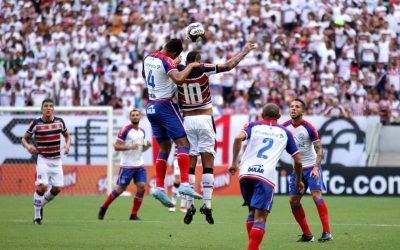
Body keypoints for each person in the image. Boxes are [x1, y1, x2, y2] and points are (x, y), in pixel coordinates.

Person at [179, 42, 256, 225]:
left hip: (187, 120)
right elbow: (229, 66)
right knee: (207, 164)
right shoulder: (203, 68)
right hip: (204, 118)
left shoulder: (178, 72)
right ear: (198, 61)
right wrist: (244, 51)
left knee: (190, 164)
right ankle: (207, 204)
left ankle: (189, 204)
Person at [229, 103, 304, 250]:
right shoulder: (285, 132)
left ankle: (254, 247)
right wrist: (298, 180)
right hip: (265, 175)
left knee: (251, 211)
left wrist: (233, 163)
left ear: (262, 115)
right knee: (261, 217)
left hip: (246, 173)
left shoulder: (252, 125)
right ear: (279, 116)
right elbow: (298, 161)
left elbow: (238, 138)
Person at [142, 38, 202, 207]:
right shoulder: (168, 61)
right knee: (184, 142)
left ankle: (159, 187)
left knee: (164, 148)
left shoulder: (148, 57)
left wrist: (171, 64)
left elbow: (145, 75)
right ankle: (184, 184)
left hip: (151, 106)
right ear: (175, 53)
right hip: (165, 106)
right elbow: (179, 79)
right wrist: (189, 66)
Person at [282, 99, 333, 242]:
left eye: (297, 107)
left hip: (311, 167)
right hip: (297, 169)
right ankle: (307, 234)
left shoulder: (309, 128)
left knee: (316, 194)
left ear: (303, 111)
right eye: (291, 106)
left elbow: (319, 149)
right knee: (293, 200)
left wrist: (316, 168)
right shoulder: (284, 128)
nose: (293, 109)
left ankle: (327, 232)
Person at [21, 98, 71, 225]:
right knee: (42, 186)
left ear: (53, 108)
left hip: (56, 160)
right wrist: (28, 147)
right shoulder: (36, 124)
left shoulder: (60, 122)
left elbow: (67, 136)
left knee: (57, 189)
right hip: (43, 159)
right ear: (41, 109)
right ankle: (37, 217)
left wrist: (67, 145)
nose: (48, 108)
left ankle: (40, 203)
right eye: (46, 106)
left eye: (50, 106)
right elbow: (24, 139)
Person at [98, 109, 151, 220]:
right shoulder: (125, 130)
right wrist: (129, 147)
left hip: (139, 165)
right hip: (127, 166)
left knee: (141, 187)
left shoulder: (142, 131)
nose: (135, 117)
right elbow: (116, 146)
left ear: (140, 117)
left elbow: (141, 149)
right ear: (130, 117)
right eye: (133, 115)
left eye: (137, 115)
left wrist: (147, 145)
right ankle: (104, 207)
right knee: (120, 190)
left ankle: (133, 214)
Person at [168, 146, 187, 213]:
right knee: (177, 180)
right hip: (178, 158)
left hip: (187, 158)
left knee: (185, 181)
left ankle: (182, 205)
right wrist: (172, 160)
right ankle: (173, 204)